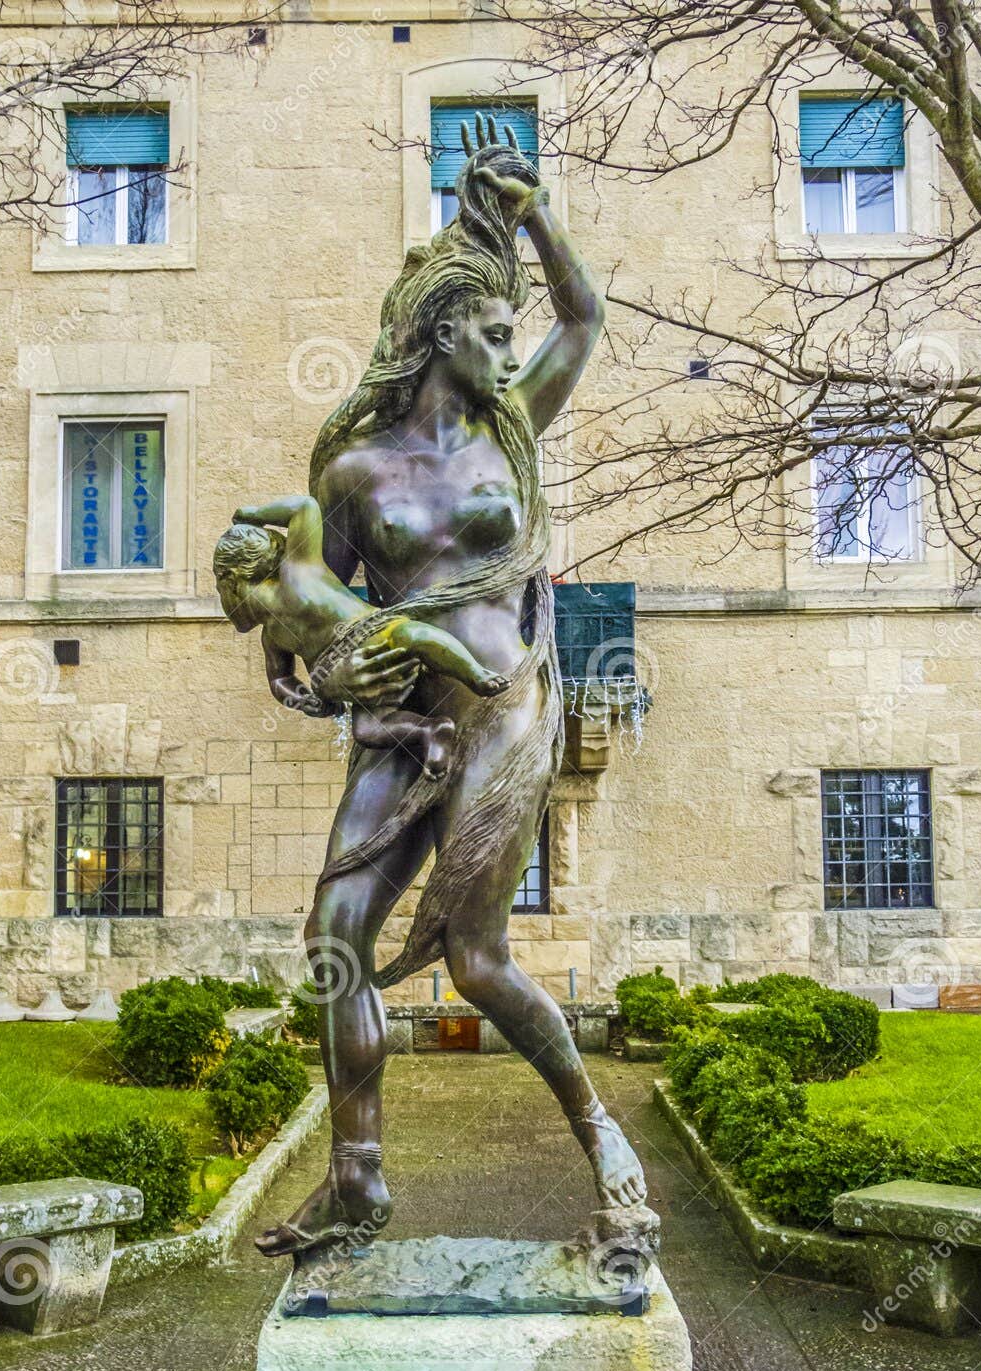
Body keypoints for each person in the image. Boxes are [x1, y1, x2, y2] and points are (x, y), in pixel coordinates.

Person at [251, 115, 647, 1258]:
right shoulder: (353, 470)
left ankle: (606, 1147)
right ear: (437, 334)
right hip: (405, 717)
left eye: (506, 330)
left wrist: (529, 214)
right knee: (335, 933)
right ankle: (357, 1181)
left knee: (478, 959)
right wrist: (309, 666)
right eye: (487, 329)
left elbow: (586, 318)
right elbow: (307, 604)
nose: (506, 348)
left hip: (506, 706)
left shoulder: (509, 430)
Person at [213, 495, 508, 780]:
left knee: (415, 635)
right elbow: (281, 680)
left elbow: (304, 507)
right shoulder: (272, 636)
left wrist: (254, 514)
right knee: (367, 730)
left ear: (232, 577)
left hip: (372, 632)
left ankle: (475, 674)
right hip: (348, 679)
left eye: (218, 585)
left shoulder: (298, 574)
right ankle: (431, 730)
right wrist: (302, 699)